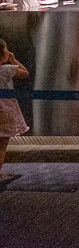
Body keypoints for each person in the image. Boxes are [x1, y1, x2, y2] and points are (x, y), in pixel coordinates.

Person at [1, 37, 29, 183]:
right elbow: (25, 73)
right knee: (3, 143)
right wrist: (13, 59)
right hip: (5, 111)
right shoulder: (7, 70)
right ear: (4, 55)